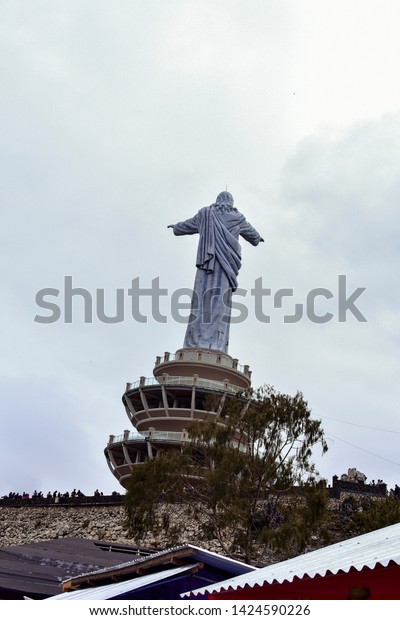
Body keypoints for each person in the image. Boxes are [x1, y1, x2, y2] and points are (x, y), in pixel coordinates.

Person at [169, 191, 263, 353]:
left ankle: (197, 341)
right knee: (220, 303)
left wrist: (176, 227)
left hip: (207, 266)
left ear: (217, 200)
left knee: (200, 301)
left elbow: (185, 226)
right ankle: (216, 344)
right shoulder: (238, 218)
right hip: (226, 271)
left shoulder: (205, 213)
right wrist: (258, 237)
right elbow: (253, 236)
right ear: (231, 203)